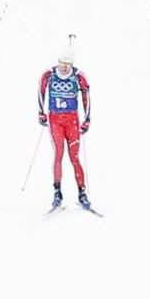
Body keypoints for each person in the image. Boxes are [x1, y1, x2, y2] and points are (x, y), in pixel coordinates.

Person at [40, 45, 93, 212]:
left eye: (67, 64)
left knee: (74, 157)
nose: (64, 67)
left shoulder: (79, 76)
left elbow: (87, 97)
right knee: (59, 153)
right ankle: (57, 191)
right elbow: (40, 92)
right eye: (62, 63)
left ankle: (82, 192)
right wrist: (41, 113)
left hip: (72, 121)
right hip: (55, 119)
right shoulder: (49, 75)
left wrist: (87, 120)